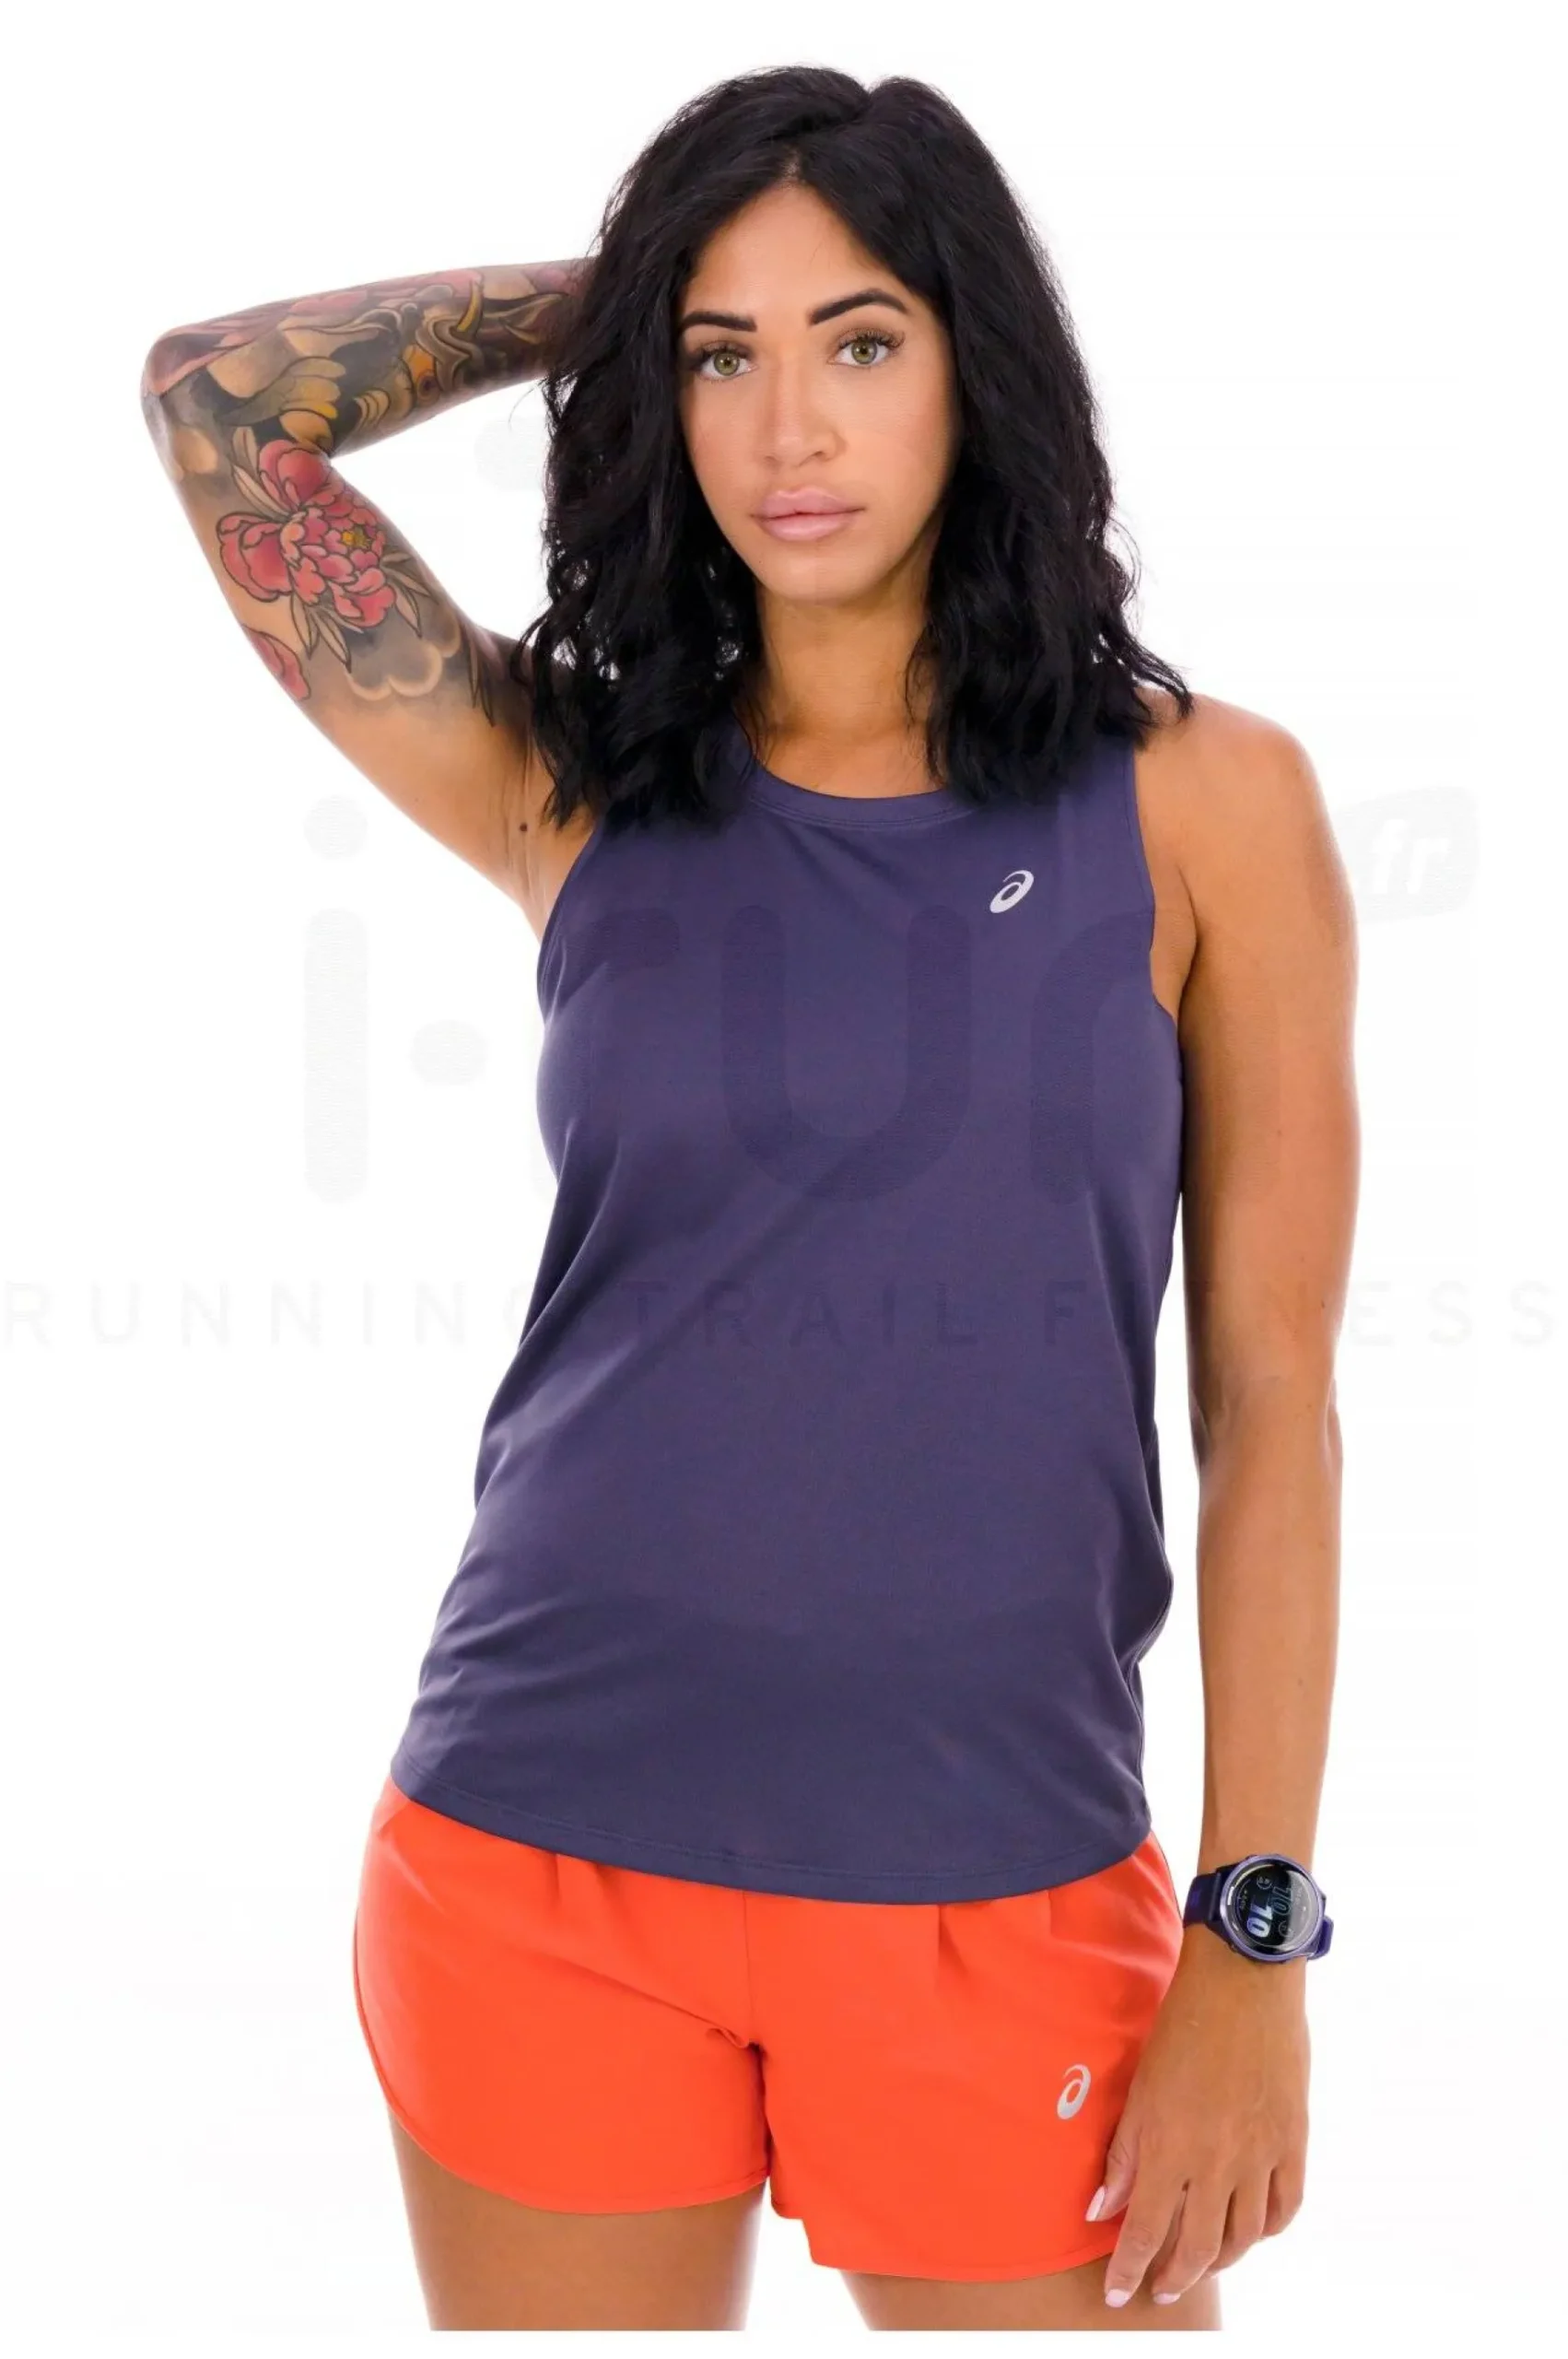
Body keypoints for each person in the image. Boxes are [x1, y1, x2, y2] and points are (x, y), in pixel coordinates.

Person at [140, 64, 1357, 2334]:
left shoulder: (1201, 804)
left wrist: (1252, 1929)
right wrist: (615, 299)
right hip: (535, 1853)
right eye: (722, 356)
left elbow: (1268, 1396)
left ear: (977, 362)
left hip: (997, 1874)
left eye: (860, 338)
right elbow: (217, 407)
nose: (787, 426)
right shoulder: (570, 781)